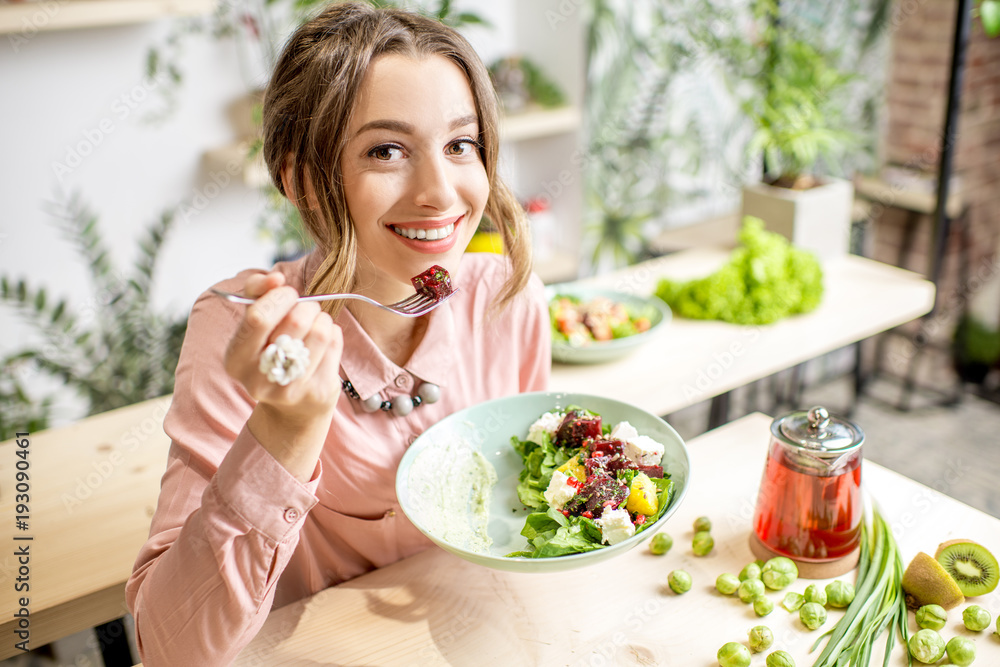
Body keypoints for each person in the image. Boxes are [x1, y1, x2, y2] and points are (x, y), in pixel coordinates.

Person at [125, 3, 550, 664]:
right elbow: (169, 648)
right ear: (300, 180)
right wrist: (283, 435)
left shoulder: (506, 298)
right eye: (387, 150)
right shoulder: (242, 329)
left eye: (460, 144)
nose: (441, 192)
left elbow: (523, 516)